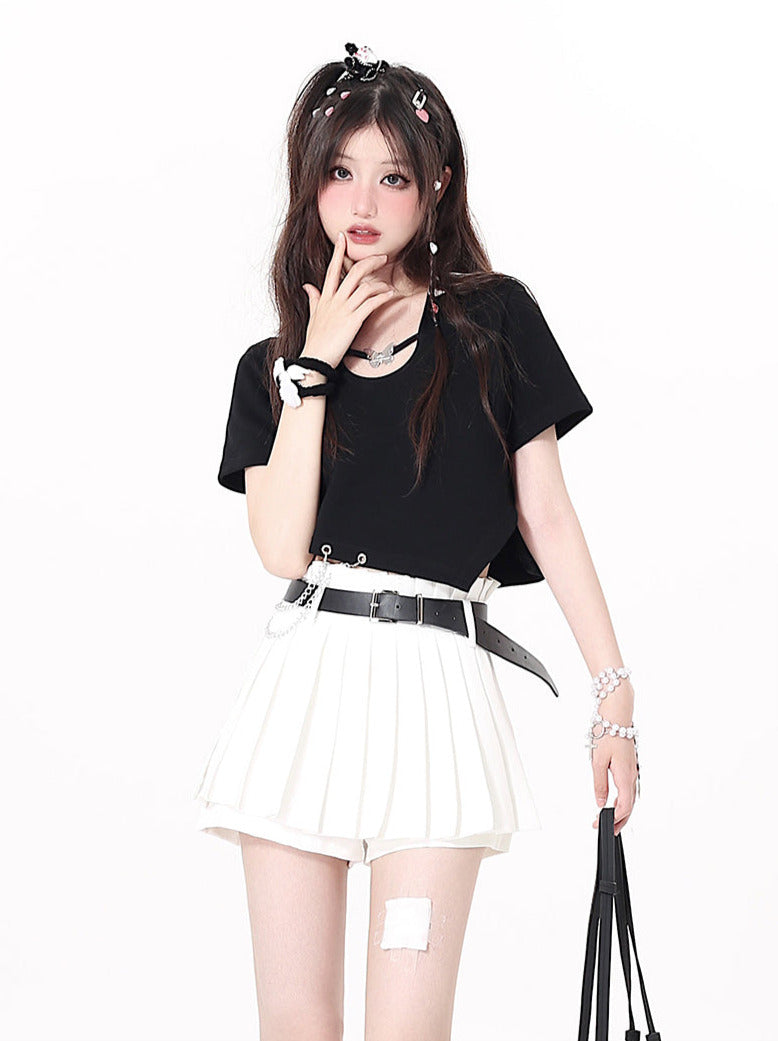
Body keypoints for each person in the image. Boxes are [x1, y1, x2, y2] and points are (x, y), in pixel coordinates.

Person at [193, 41, 640, 1041]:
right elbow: (281, 549)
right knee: (296, 1026)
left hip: (437, 692)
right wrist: (313, 365)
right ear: (309, 183)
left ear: (434, 187)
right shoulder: (270, 368)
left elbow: (547, 516)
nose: (362, 202)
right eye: (339, 172)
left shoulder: (492, 324)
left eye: (392, 176)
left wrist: (613, 696)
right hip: (306, 688)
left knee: (408, 1028)